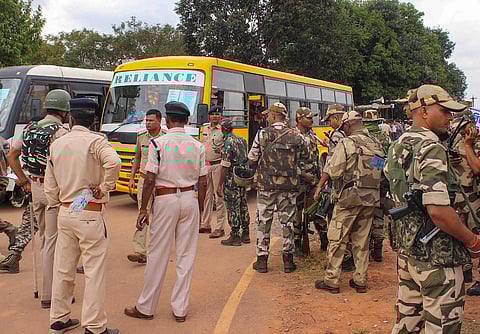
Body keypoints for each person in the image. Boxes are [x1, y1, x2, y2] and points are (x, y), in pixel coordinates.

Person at [385, 85, 480, 333]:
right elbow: (438, 211)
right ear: (424, 111)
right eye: (445, 111)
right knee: (442, 326)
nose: (451, 117)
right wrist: (472, 241)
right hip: (438, 257)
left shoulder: (398, 144)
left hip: (409, 252)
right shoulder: (431, 147)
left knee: (408, 322)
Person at [124, 101, 207, 322]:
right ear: (187, 120)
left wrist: (143, 208)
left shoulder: (158, 144)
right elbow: (204, 180)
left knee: (157, 253)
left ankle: (146, 307)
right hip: (190, 198)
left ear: (168, 121)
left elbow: (150, 178)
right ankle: (180, 309)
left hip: (165, 198)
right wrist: (197, 209)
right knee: (186, 255)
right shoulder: (197, 145)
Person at [45, 98, 121, 334]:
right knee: (94, 271)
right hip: (88, 209)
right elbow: (114, 161)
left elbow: (50, 184)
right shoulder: (95, 141)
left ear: (71, 118)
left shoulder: (58, 144)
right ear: (93, 120)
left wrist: (57, 203)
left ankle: (59, 319)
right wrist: (105, 186)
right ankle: (94, 326)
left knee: (63, 269)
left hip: (67, 208)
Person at [6, 89, 70, 307]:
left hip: (33, 187)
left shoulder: (28, 128)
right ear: (64, 110)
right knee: (55, 242)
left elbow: (12, 155)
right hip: (53, 191)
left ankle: (48, 291)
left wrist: (24, 181)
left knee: (44, 238)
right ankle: (50, 295)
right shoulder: (60, 132)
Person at [314, 111, 383, 294]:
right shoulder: (376, 144)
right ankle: (360, 280)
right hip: (371, 198)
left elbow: (334, 171)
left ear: (346, 125)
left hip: (349, 197)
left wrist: (321, 185)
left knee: (337, 237)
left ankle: (332, 280)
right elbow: (380, 171)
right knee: (362, 240)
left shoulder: (347, 143)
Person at [248, 102, 313, 273]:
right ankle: (288, 261)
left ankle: (262, 260)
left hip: (266, 185)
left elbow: (252, 158)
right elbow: (307, 160)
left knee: (264, 221)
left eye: (268, 115)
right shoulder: (296, 136)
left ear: (274, 115)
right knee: (288, 222)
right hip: (288, 186)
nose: (267, 117)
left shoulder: (262, 134)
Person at [127, 109, 165, 264]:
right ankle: (139, 250)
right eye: (146, 120)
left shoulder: (166, 138)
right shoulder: (141, 137)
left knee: (160, 216)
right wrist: (132, 178)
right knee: (142, 213)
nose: (148, 123)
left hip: (161, 181)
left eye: (151, 120)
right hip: (144, 180)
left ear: (159, 121)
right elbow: (137, 158)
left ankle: (157, 249)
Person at [449, 115, 480, 296]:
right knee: (458, 232)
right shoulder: (453, 143)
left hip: (474, 196)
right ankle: (465, 271)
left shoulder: (474, 144)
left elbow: (476, 169)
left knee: (476, 233)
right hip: (457, 195)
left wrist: (469, 146)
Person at [216, 118, 250, 246]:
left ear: (222, 129)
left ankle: (235, 234)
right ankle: (246, 233)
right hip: (242, 176)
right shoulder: (242, 140)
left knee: (232, 206)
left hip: (231, 177)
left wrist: (220, 184)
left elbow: (225, 165)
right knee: (243, 204)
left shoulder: (227, 142)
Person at [294, 107, 321, 257]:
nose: (312, 121)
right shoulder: (293, 136)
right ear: (299, 119)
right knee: (297, 215)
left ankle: (323, 240)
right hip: (299, 181)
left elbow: (315, 159)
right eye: (309, 118)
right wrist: (303, 175)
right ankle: (297, 244)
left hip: (313, 180)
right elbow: (290, 162)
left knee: (317, 210)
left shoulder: (311, 136)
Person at [199, 105, 227, 238]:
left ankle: (220, 227)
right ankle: (205, 224)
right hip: (206, 165)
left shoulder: (223, 130)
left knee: (219, 195)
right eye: (212, 114)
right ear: (209, 116)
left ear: (221, 116)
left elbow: (227, 149)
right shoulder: (205, 128)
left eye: (218, 114)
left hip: (218, 165)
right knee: (206, 196)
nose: (215, 116)